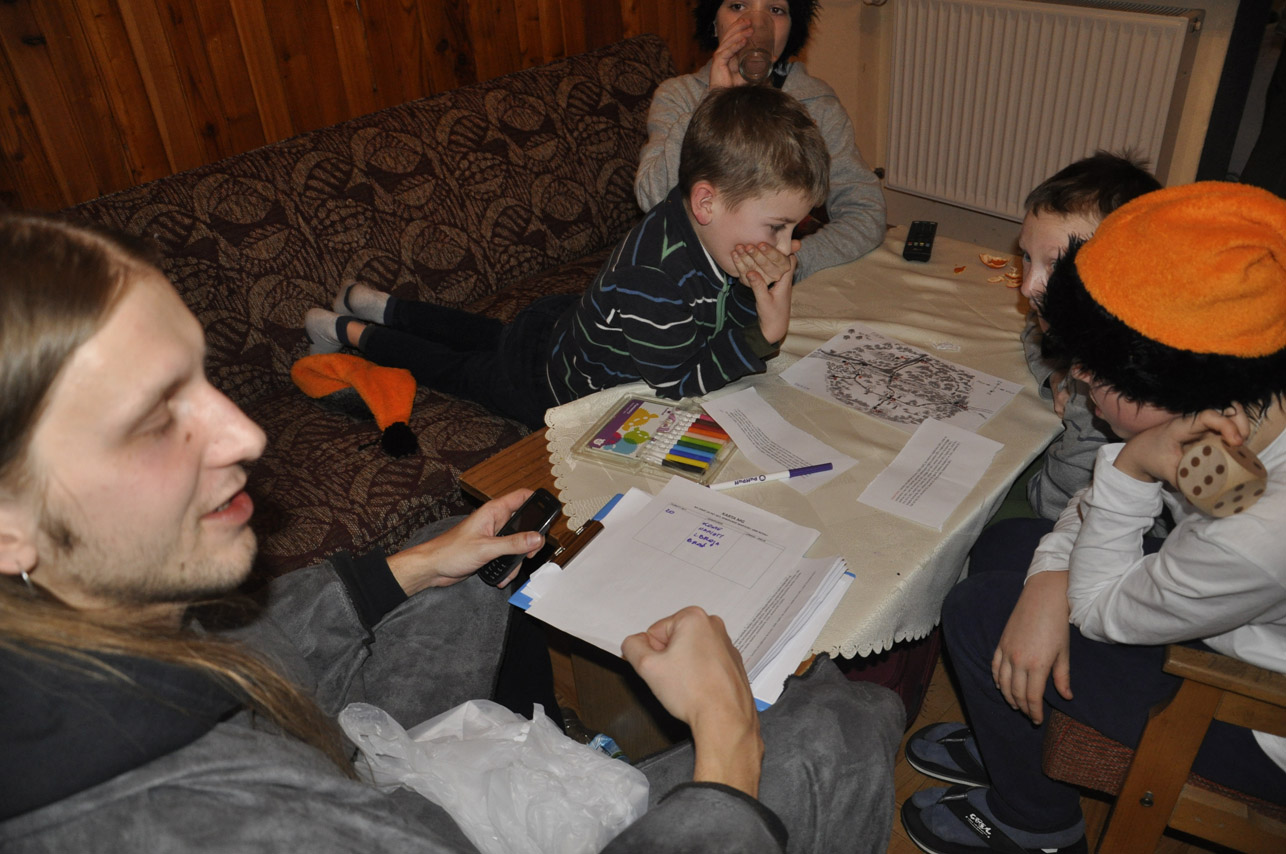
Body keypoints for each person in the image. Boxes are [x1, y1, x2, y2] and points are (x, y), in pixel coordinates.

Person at [0, 213, 905, 852]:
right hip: (394, 816)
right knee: (842, 723)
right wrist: (726, 751)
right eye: (156, 419)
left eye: (201, 381)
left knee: (466, 554)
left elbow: (236, 654)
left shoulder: (73, 640)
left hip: (368, 768)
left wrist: (400, 571)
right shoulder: (216, 828)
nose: (244, 434)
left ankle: (537, 729)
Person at [900, 182, 1286, 854]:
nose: (1077, 375)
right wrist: (1050, 578)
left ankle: (1036, 824)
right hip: (1226, 619)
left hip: (1249, 713)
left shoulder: (1257, 532)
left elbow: (1106, 609)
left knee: (979, 610)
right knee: (1012, 545)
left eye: (1099, 370)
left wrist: (1131, 464)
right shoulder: (1229, 404)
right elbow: (1088, 514)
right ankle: (1013, 739)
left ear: (1165, 384)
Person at [304, 84, 828, 430]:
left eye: (793, 229)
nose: (786, 247)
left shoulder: (703, 227)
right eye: (777, 227)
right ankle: (348, 330)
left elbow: (714, 318)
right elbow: (678, 383)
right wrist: (766, 332)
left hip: (559, 330)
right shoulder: (657, 279)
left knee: (484, 335)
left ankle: (377, 303)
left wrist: (750, 296)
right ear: (707, 202)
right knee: (457, 368)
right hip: (549, 386)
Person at [635, 0, 886, 282]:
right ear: (714, 22)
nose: (754, 23)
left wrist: (789, 262)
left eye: (775, 10)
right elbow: (653, 199)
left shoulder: (817, 105)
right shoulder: (679, 96)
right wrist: (712, 100)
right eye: (738, 6)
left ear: (792, 28)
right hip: (686, 282)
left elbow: (865, 210)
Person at [1017, 152, 1161, 520]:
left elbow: (1062, 506)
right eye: (1027, 257)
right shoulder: (1091, 327)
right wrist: (1056, 373)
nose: (1027, 286)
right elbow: (1035, 327)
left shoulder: (1117, 392)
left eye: (1054, 264)